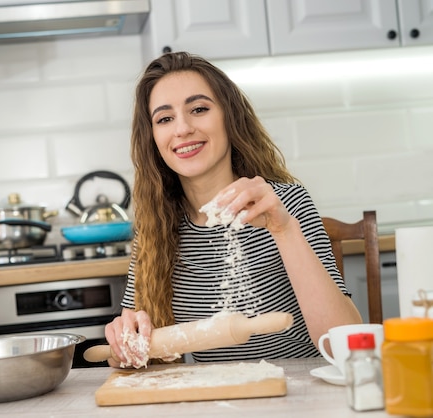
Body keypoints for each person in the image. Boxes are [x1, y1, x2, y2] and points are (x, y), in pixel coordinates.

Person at [104, 51, 362, 368]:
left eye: (198, 109)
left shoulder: (285, 203)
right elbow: (141, 350)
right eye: (165, 118)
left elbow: (349, 346)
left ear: (229, 117)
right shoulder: (156, 228)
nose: (182, 129)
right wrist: (124, 342)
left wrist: (284, 230)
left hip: (299, 395)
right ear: (153, 138)